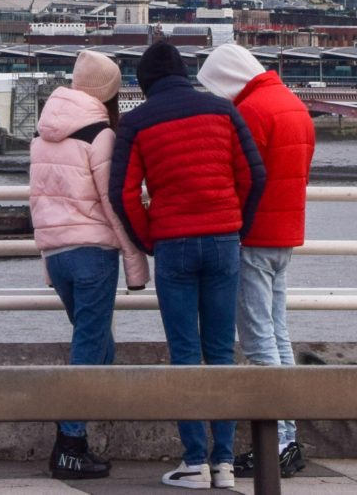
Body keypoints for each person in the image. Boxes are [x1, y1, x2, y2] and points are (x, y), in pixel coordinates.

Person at [110, 38, 264, 489]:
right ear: (184, 72)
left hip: (173, 244)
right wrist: (237, 227)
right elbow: (254, 174)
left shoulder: (136, 123)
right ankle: (225, 465)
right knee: (220, 352)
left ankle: (193, 463)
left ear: (144, 83)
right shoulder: (222, 111)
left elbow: (123, 193)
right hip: (223, 241)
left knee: (184, 353)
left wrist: (149, 239)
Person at [29, 48, 150, 480]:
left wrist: (46, 257)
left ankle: (74, 434)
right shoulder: (100, 135)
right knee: (89, 347)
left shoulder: (43, 135)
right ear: (109, 92)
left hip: (58, 254)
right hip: (93, 253)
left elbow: (38, 201)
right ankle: (69, 443)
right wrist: (136, 266)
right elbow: (115, 204)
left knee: (99, 345)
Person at [197, 42, 315, 480]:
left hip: (253, 236)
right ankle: (289, 437)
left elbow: (235, 173)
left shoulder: (251, 112)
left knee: (257, 340)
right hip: (285, 236)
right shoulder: (292, 104)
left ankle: (279, 442)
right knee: (279, 334)